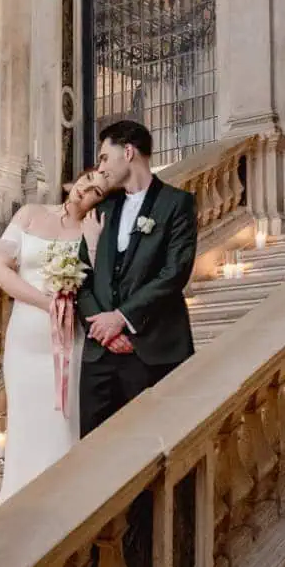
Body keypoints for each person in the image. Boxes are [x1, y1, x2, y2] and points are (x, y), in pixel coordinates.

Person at [0, 170, 110, 504]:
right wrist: (45, 303)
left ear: (101, 201)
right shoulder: (29, 214)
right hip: (25, 340)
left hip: (70, 341)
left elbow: (101, 288)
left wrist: (94, 245)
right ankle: (15, 508)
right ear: (73, 182)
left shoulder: (91, 232)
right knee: (25, 427)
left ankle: (62, 510)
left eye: (97, 191)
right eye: (87, 180)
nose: (86, 190)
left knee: (62, 425)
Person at [77, 120, 198, 435]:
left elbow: (175, 273)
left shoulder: (177, 204)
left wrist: (122, 318)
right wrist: (102, 326)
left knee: (152, 449)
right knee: (93, 454)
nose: (101, 167)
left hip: (152, 349)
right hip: (99, 356)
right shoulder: (101, 208)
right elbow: (80, 275)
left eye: (105, 157)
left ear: (128, 152)